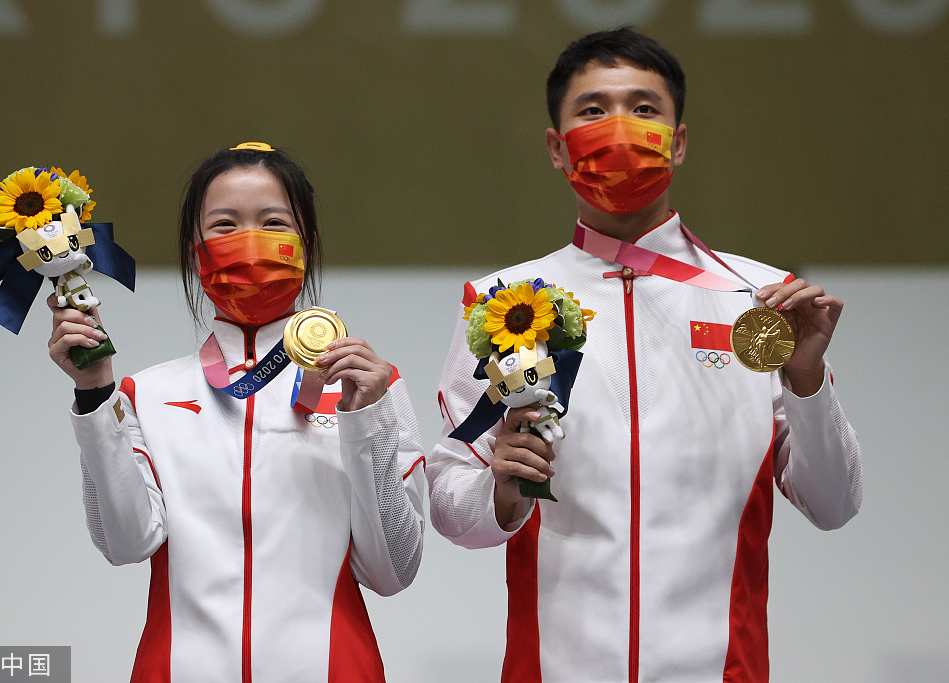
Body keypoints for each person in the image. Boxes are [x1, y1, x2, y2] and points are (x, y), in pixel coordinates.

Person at [428, 29, 861, 682]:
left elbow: (835, 503)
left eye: (644, 108)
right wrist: (501, 492)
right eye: (593, 110)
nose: (620, 127)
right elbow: (450, 508)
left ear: (678, 142)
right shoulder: (503, 304)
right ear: (557, 147)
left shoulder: (760, 301)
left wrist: (807, 379)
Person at [48, 143, 426, 682]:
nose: (249, 242)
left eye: (273, 223)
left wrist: (366, 421)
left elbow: (393, 571)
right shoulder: (145, 393)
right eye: (224, 225)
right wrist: (94, 391)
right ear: (195, 252)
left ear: (308, 246)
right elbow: (124, 543)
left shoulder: (367, 388)